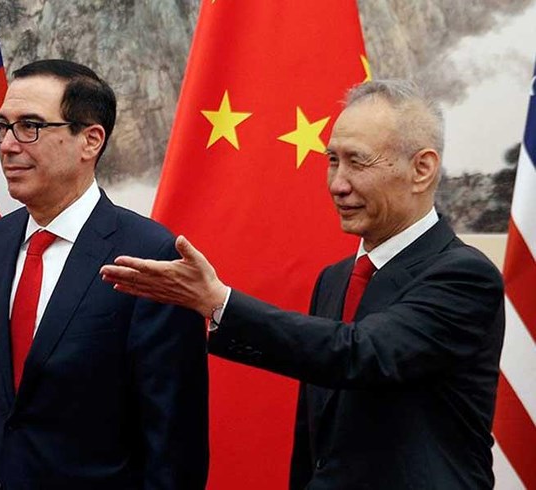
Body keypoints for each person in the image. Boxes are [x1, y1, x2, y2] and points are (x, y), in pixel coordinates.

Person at [101, 79, 505, 489]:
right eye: (332, 160)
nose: (338, 184)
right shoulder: (335, 279)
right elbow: (315, 435)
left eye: (357, 162)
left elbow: (361, 354)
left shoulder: (465, 275)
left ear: (422, 169)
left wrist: (220, 301)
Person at [0, 59, 208, 490]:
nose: (8, 145)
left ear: (90, 140)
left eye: (30, 126)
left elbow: (173, 446)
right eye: (3, 126)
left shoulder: (149, 254)